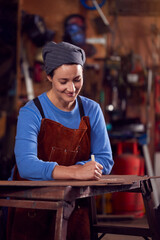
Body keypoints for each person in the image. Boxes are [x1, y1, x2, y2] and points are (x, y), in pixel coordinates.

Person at [7, 41, 113, 240]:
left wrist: (85, 168)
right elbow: (26, 165)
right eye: (63, 81)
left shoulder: (91, 110)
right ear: (49, 77)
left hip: (74, 207)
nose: (72, 88)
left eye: (77, 79)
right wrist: (75, 172)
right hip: (30, 206)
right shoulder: (31, 112)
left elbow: (105, 159)